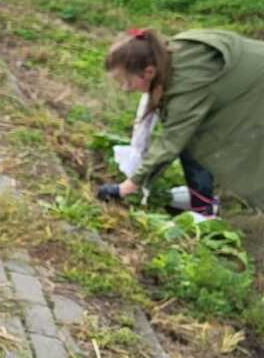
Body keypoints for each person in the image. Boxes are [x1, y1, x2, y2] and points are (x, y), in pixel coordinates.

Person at [96, 28, 264, 217]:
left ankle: (204, 208)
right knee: (197, 133)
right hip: (246, 82)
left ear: (148, 72)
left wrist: (127, 187)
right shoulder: (166, 56)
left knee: (196, 140)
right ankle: (204, 196)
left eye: (127, 82)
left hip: (256, 93)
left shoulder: (187, 81)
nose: (125, 89)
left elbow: (173, 139)